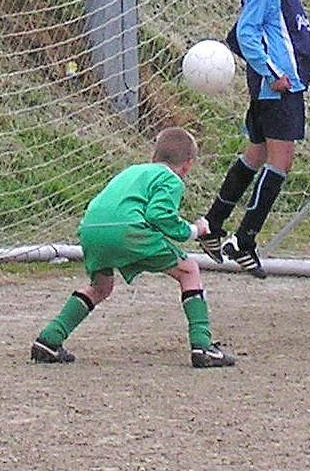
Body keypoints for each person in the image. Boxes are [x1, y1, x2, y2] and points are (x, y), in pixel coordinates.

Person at [30, 127, 235, 368]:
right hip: (127, 231)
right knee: (188, 269)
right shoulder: (171, 179)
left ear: (153, 156)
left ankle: (50, 339)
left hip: (90, 229)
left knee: (101, 287)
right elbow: (158, 215)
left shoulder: (132, 171)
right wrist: (194, 230)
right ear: (188, 164)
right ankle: (202, 346)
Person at [197, 0, 310, 278]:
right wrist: (273, 72)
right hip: (279, 89)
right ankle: (244, 239)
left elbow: (240, 34)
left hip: (272, 88)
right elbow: (245, 33)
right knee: (280, 163)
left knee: (255, 156)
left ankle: (213, 224)